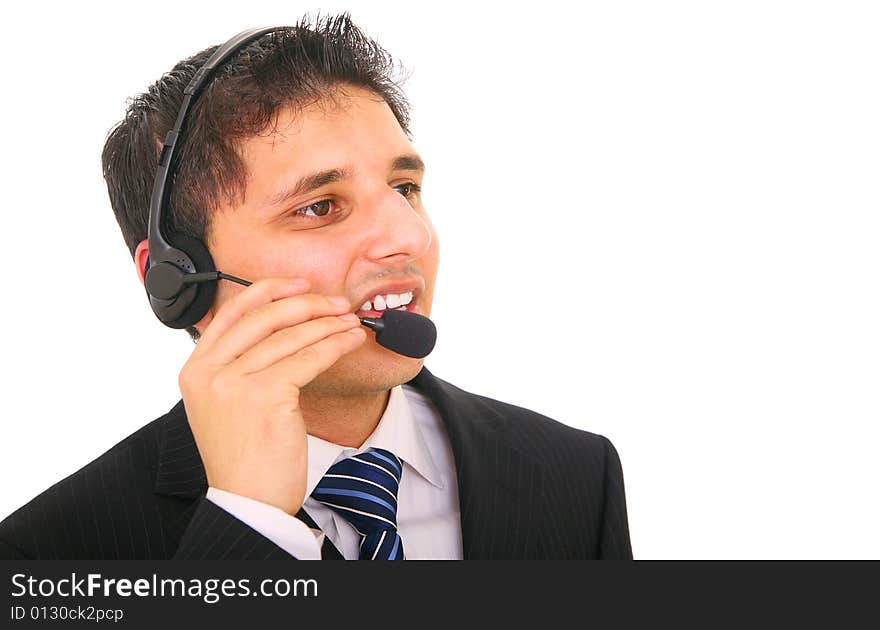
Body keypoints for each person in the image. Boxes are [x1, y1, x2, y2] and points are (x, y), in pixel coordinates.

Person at [0, 14, 631, 560]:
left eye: (404, 188)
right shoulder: (48, 550)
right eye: (321, 206)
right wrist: (250, 524)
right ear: (174, 280)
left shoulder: (576, 476)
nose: (407, 236)